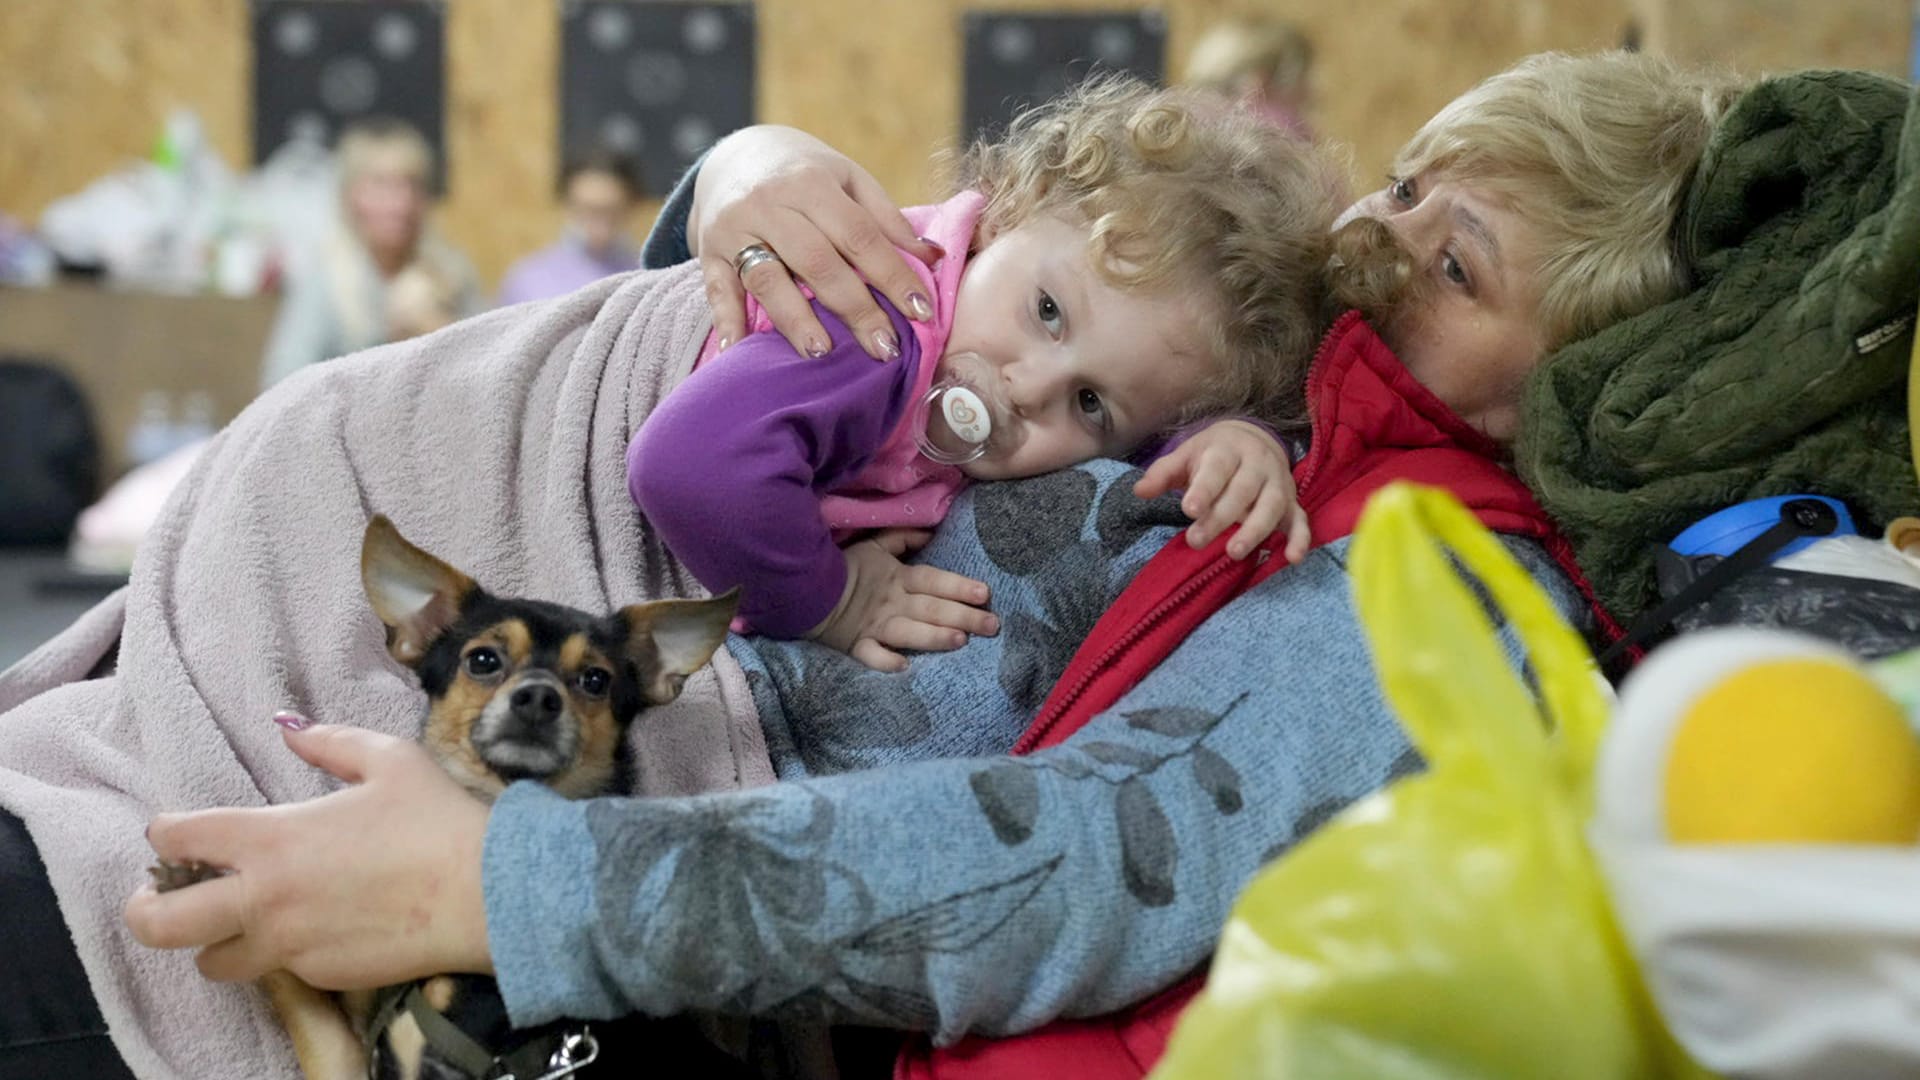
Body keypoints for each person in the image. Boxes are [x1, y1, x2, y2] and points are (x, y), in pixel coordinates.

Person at [2, 49, 1770, 1079]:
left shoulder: (1422, 576)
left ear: (1578, 379)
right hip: (422, 613)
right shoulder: (1271, 400)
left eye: (1452, 261)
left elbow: (1077, 859)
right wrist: (746, 174)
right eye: (1395, 183)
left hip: (528, 821)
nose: (1366, 246)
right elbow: (785, 369)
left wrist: (505, 884)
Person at [630, 78, 1336, 670]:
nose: (1029, 387)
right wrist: (834, 600)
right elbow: (686, 467)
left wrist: (1235, 440)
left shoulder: (1005, 316)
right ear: (1002, 214)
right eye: (1049, 312)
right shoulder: (880, 330)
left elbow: (1154, 428)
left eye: (1089, 403)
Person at [260, 117, 482, 390]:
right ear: (350, 196)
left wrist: (437, 329)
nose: (400, 204)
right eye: (381, 186)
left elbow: (489, 373)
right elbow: (281, 385)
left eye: (411, 185)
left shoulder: (452, 273)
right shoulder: (325, 282)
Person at [496, 148, 645, 306]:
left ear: (631, 205)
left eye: (611, 211)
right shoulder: (527, 281)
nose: (600, 226)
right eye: (589, 210)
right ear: (567, 205)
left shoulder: (644, 277)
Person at [1182, 17, 1318, 140]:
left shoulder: (1178, 133)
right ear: (1259, 83)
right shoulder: (1283, 134)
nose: (1312, 91)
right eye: (1302, 77)